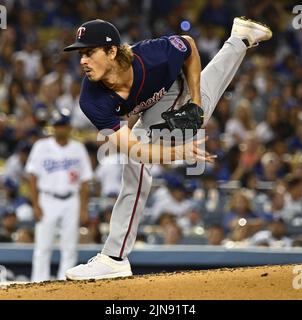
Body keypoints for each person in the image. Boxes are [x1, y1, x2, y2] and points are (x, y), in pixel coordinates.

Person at [63, 17, 272, 280]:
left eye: (89, 52)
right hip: (152, 108)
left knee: (188, 123)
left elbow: (189, 45)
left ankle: (239, 40)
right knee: (136, 160)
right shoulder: (91, 99)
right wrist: (177, 154)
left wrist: (194, 99)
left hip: (175, 86)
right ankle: (114, 258)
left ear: (112, 51)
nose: (82, 60)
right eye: (80, 53)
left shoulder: (152, 55)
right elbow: (134, 149)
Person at [25, 109, 93, 282]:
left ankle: (65, 283)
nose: (59, 129)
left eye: (62, 125)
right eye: (57, 126)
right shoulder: (41, 147)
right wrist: (36, 204)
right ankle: (38, 283)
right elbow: (32, 177)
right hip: (47, 199)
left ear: (69, 127)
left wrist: (84, 208)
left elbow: (85, 181)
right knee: (43, 246)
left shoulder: (78, 148)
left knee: (69, 247)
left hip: (72, 199)